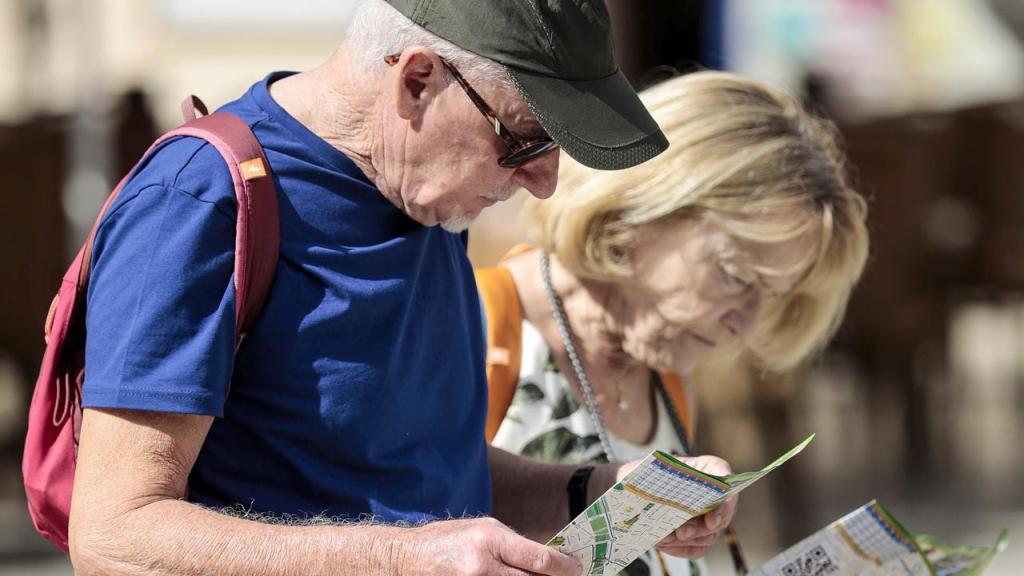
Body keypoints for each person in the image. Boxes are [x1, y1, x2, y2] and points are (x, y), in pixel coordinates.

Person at [62, 1, 735, 575]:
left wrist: (594, 491)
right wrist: (400, 557)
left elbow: (419, 472)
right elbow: (115, 537)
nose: (545, 182)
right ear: (417, 81)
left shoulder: (430, 196)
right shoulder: (198, 201)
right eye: (527, 141)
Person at [477, 71, 870, 576]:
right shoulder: (482, 328)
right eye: (733, 276)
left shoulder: (664, 377)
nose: (746, 324)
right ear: (642, 207)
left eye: (769, 296)